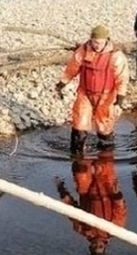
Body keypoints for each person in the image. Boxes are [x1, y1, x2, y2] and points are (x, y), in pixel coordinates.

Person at [55, 25, 130, 156]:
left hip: (106, 96)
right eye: (95, 42)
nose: (97, 45)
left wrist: (119, 102)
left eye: (100, 43)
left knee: (104, 128)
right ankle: (77, 159)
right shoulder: (83, 51)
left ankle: (105, 157)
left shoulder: (116, 56)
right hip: (85, 93)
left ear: (107, 40)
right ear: (91, 40)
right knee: (79, 125)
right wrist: (61, 84)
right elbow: (72, 69)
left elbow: (122, 79)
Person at [54, 148, 127, 255]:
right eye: (100, 246)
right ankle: (105, 139)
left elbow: (71, 210)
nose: (98, 244)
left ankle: (82, 145)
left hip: (86, 191)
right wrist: (117, 195)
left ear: (90, 246)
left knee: (81, 166)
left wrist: (62, 190)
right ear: (105, 246)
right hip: (107, 191)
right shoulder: (114, 230)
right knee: (105, 157)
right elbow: (120, 210)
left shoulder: (81, 229)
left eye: (95, 246)